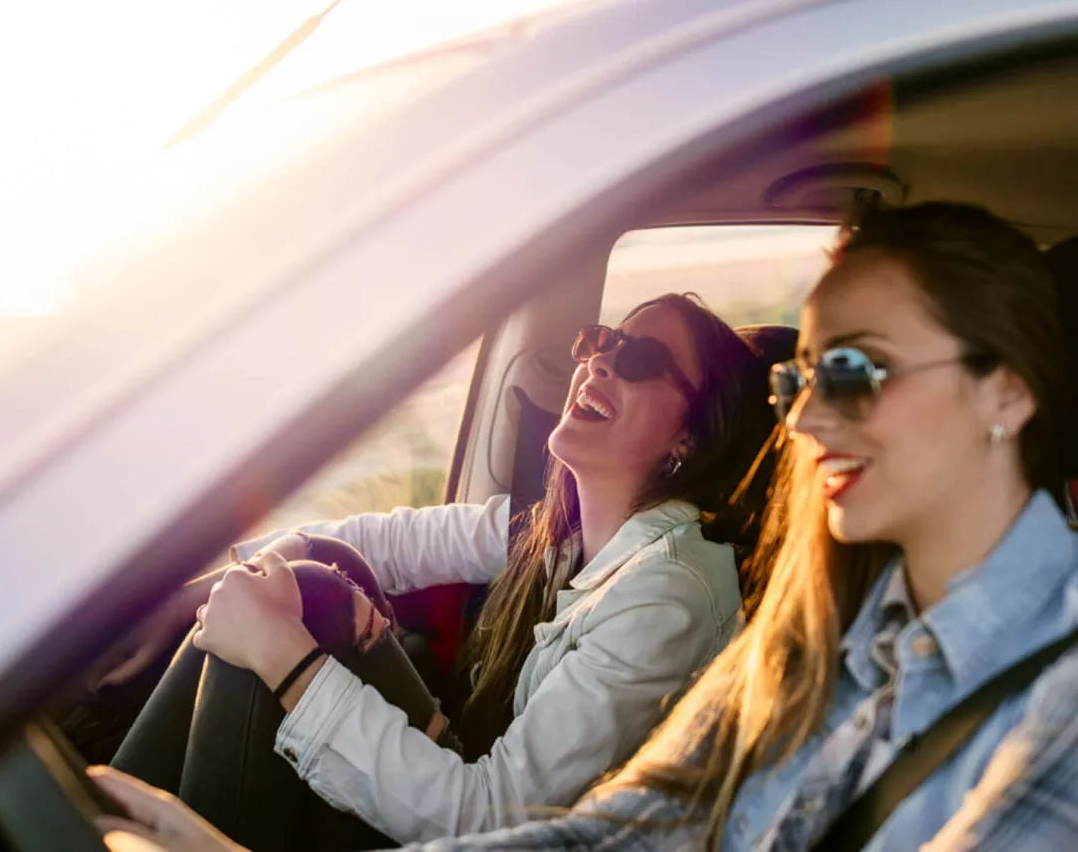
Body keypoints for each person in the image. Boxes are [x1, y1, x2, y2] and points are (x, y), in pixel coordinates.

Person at [82, 202, 1078, 852]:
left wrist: (294, 679)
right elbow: (605, 834)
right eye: (800, 377)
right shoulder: (814, 644)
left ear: (1005, 391)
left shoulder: (1055, 705)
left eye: (853, 369)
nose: (806, 420)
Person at [102, 293, 783, 848]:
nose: (600, 364)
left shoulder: (672, 594)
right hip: (463, 804)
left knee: (297, 606)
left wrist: (285, 656)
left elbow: (495, 820)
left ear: (690, 434)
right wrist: (192, 595)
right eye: (601, 342)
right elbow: (386, 541)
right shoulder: (558, 531)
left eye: (638, 358)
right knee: (305, 583)